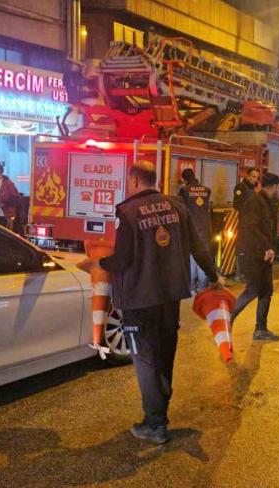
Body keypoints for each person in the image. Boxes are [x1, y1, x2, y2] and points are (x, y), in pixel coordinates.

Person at [78, 161, 223, 445]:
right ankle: (160, 415)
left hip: (138, 299)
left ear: (134, 180)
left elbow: (123, 259)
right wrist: (214, 275)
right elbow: (198, 246)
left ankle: (155, 424)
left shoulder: (128, 211)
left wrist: (98, 263)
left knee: (145, 360)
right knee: (165, 355)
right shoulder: (177, 206)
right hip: (169, 296)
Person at [231, 172, 279, 341]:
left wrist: (269, 248)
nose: (278, 190)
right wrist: (267, 247)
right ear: (274, 186)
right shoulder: (255, 201)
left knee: (266, 290)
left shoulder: (265, 202)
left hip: (263, 254)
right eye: (277, 187)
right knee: (253, 289)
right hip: (251, 253)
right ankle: (227, 317)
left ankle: (261, 329)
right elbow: (251, 227)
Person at [178, 168, 212, 292]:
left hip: (191, 228)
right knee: (203, 255)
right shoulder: (207, 189)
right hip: (205, 228)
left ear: (184, 179)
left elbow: (180, 207)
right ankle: (203, 287)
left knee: (192, 257)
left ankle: (192, 287)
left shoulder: (184, 190)